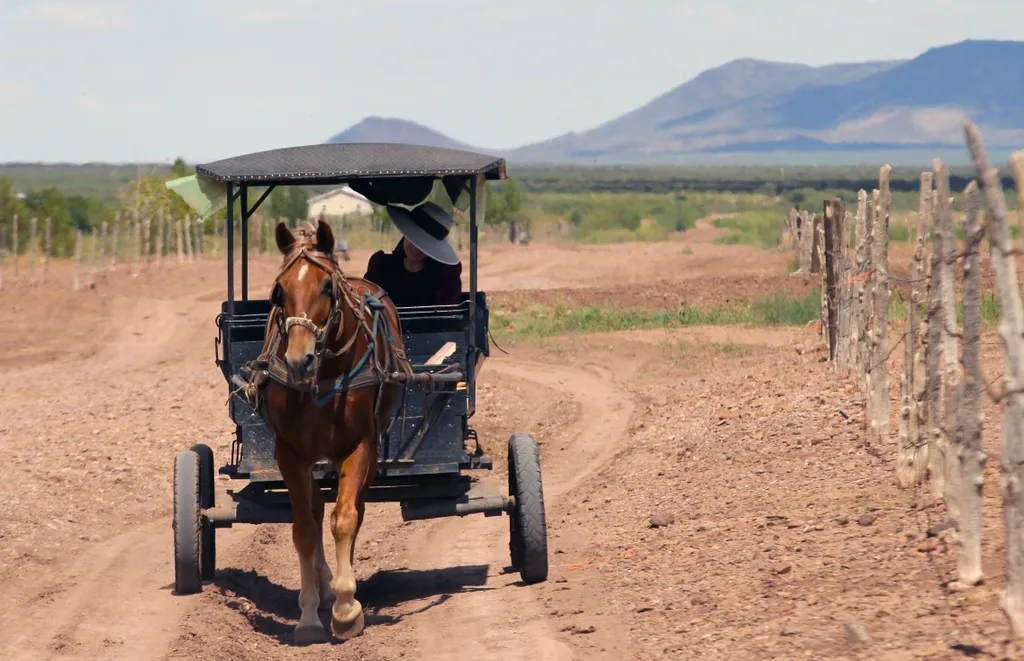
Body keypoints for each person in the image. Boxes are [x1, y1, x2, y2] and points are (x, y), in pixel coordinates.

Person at [363, 201, 463, 307]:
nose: (417, 248)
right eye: (414, 239)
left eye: (426, 245)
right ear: (406, 233)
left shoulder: (445, 274)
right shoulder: (381, 266)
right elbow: (363, 301)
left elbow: (449, 316)